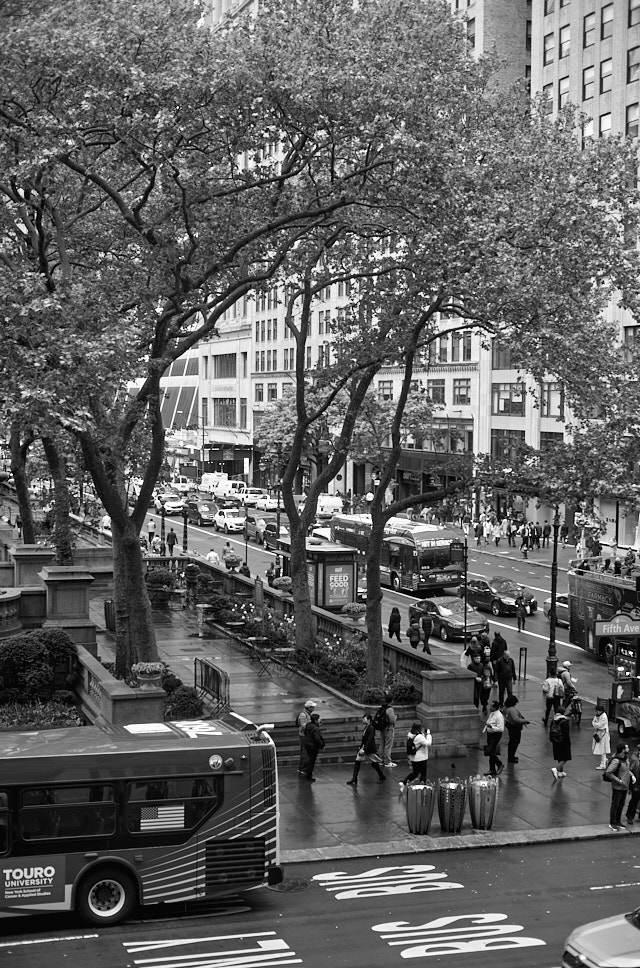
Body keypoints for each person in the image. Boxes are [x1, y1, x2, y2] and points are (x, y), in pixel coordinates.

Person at [346, 714, 386, 785]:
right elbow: (364, 739)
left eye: (364, 719)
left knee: (374, 763)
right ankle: (354, 778)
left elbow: (370, 740)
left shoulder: (371, 728)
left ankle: (382, 776)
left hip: (369, 749)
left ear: (368, 720)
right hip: (364, 748)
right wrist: (361, 747)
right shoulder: (366, 727)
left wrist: (364, 749)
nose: (363, 720)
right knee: (357, 761)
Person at [606, 742, 634, 830]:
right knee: (615, 804)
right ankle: (613, 822)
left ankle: (618, 821)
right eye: (627, 748)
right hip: (618, 787)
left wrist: (632, 775)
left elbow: (626, 770)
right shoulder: (616, 760)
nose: (628, 749)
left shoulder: (625, 759)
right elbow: (608, 772)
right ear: (623, 750)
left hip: (625, 786)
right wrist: (619, 780)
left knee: (621, 804)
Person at [399, 722, 432, 791]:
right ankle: (422, 789)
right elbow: (428, 743)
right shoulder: (419, 737)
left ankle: (404, 782)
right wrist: (428, 734)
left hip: (414, 759)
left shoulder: (411, 735)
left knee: (415, 773)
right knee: (423, 774)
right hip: (421, 758)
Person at [503, 695, 529, 763]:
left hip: (510, 725)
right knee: (515, 741)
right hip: (515, 727)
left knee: (512, 741)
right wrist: (525, 721)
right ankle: (511, 756)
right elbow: (516, 719)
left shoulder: (505, 708)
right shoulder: (512, 710)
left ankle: (510, 756)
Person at [483, 700, 504, 776]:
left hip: (496, 735)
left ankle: (499, 764)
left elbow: (501, 728)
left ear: (495, 707)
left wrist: (492, 727)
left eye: (491, 706)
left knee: (490, 751)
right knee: (492, 752)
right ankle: (492, 769)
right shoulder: (492, 713)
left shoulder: (499, 716)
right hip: (490, 734)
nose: (489, 707)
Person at [301, 713, 325, 782]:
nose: (320, 720)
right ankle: (309, 775)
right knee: (312, 760)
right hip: (313, 746)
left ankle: (307, 773)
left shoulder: (308, 725)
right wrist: (321, 745)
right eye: (319, 719)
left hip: (307, 744)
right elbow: (317, 738)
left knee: (309, 759)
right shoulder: (315, 729)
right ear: (315, 720)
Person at [377, 693, 398, 767]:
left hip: (382, 729)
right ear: (391, 701)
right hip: (389, 729)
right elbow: (391, 720)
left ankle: (381, 759)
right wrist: (396, 717)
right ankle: (387, 761)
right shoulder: (390, 709)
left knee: (382, 744)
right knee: (388, 745)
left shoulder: (382, 708)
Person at [550, 706, 571, 779]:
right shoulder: (564, 721)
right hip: (563, 741)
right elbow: (566, 734)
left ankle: (560, 772)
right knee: (565, 758)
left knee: (559, 757)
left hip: (555, 741)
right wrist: (568, 742)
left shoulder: (554, 720)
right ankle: (556, 769)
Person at [296, 700, 316, 775]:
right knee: (305, 753)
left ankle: (301, 768)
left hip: (307, 735)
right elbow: (304, 726)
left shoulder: (308, 714)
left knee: (305, 753)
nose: (313, 708)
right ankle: (303, 768)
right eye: (312, 707)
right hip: (304, 736)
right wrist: (312, 725)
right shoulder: (303, 715)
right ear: (309, 707)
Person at [592, 704, 611, 769]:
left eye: (597, 711)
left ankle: (603, 764)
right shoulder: (597, 716)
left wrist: (595, 725)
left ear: (601, 711)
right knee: (601, 748)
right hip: (599, 733)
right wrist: (596, 725)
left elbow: (599, 725)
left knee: (603, 749)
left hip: (603, 734)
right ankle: (604, 760)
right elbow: (593, 723)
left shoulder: (604, 717)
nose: (596, 712)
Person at [625, 744, 640, 825]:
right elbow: (629, 769)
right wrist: (632, 776)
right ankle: (630, 816)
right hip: (636, 783)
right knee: (634, 799)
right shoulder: (634, 759)